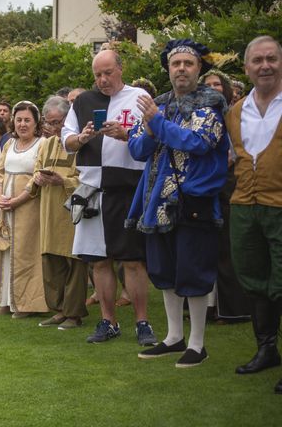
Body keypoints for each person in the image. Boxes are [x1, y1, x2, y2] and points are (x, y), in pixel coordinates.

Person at [128, 39, 229, 367]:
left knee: (194, 271)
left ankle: (198, 345)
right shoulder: (157, 104)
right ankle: (174, 337)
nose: (182, 68)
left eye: (188, 63)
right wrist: (149, 128)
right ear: (168, 69)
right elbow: (138, 149)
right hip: (156, 201)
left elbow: (198, 142)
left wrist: (156, 123)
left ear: (199, 68)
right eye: (176, 64)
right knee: (165, 271)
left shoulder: (211, 102)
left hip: (193, 199)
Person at [61, 49, 157, 346]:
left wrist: (126, 134)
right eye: (97, 75)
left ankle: (143, 322)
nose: (102, 80)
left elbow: (156, 135)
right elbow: (67, 140)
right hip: (92, 189)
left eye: (107, 73)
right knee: (99, 262)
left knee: (132, 260)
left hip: (127, 187)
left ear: (120, 69)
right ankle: (108, 321)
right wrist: (83, 138)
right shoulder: (84, 102)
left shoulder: (139, 96)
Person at [225, 35, 282, 394]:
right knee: (253, 278)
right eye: (258, 60)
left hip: (280, 206)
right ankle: (267, 349)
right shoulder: (235, 111)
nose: (265, 66)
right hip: (245, 206)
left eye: (272, 59)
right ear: (246, 68)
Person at [200, 68, 250, 322]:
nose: (212, 88)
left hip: (228, 183)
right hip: (204, 185)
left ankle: (232, 307)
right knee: (206, 247)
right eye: (207, 84)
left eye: (217, 84)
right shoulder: (196, 116)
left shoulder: (234, 116)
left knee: (228, 246)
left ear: (226, 89)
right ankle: (208, 306)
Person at [35, 96, 89, 329]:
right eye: (49, 123)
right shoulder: (46, 144)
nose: (54, 128)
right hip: (48, 211)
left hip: (71, 212)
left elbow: (88, 178)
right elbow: (36, 169)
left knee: (74, 263)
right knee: (52, 262)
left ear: (68, 119)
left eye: (58, 122)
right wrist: (37, 178)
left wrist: (63, 181)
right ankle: (58, 310)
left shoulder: (80, 144)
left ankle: (74, 313)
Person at [0, 101, 48, 318]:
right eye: (19, 120)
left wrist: (18, 199)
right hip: (5, 206)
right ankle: (5, 299)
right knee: (5, 249)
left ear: (36, 122)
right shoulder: (9, 144)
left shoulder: (42, 144)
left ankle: (26, 303)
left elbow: (38, 177)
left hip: (28, 206)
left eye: (27, 120)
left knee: (25, 252)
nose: (22, 124)